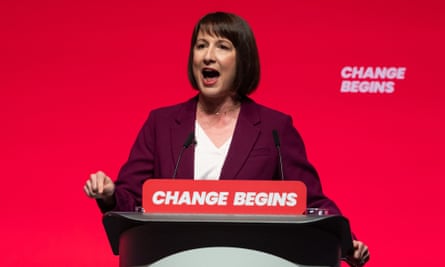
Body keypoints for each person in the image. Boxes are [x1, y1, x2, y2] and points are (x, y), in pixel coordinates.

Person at [83, 11, 370, 266]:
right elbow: (132, 200)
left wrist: (348, 243)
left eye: (222, 46)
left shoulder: (275, 127)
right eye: (201, 46)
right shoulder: (161, 123)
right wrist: (109, 195)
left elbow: (310, 200)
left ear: (242, 60)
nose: (208, 55)